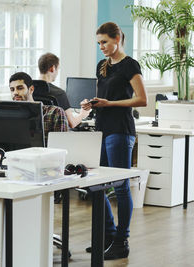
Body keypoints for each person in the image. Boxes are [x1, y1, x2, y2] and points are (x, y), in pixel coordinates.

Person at [81, 22, 147, 260]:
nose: (102, 47)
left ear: (117, 38)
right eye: (99, 43)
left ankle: (122, 240)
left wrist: (110, 104)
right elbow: (106, 95)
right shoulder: (102, 65)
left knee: (119, 186)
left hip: (120, 129)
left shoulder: (130, 65)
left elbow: (141, 100)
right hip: (102, 127)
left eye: (105, 42)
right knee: (94, 181)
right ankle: (108, 234)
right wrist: (94, 103)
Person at [9, 72, 69, 143]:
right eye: (12, 89)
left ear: (31, 89)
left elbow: (60, 146)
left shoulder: (55, 113)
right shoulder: (9, 115)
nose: (15, 93)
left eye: (20, 88)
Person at [38, 53, 90, 128]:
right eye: (58, 69)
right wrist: (83, 114)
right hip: (54, 137)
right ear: (52, 68)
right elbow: (72, 123)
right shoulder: (59, 93)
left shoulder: (29, 90)